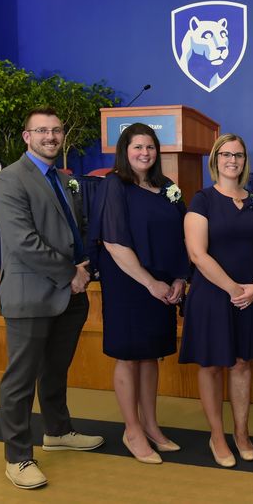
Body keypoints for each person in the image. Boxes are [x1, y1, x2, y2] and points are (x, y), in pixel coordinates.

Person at [0, 106, 104, 490]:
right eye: (42, 131)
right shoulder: (9, 181)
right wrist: (70, 272)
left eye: (56, 131)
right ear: (27, 137)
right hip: (32, 294)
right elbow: (24, 243)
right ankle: (18, 457)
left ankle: (57, 431)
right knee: (20, 380)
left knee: (55, 369)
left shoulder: (61, 178)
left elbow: (69, 229)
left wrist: (82, 265)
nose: (51, 137)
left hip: (69, 293)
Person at [88, 123, 189, 465]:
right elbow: (114, 243)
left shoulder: (167, 188)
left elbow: (182, 236)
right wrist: (150, 283)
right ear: (124, 150)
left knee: (151, 355)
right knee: (129, 356)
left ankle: (151, 426)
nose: (144, 153)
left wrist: (178, 278)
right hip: (130, 284)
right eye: (137, 147)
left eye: (150, 147)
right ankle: (132, 430)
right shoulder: (114, 185)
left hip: (162, 285)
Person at [179, 134, 253, 468]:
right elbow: (197, 253)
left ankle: (241, 432)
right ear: (215, 159)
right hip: (212, 294)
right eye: (226, 154)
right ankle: (217, 435)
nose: (232, 160)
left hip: (251, 295)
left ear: (244, 160)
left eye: (238, 154)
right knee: (210, 365)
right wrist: (234, 288)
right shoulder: (202, 200)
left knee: (241, 363)